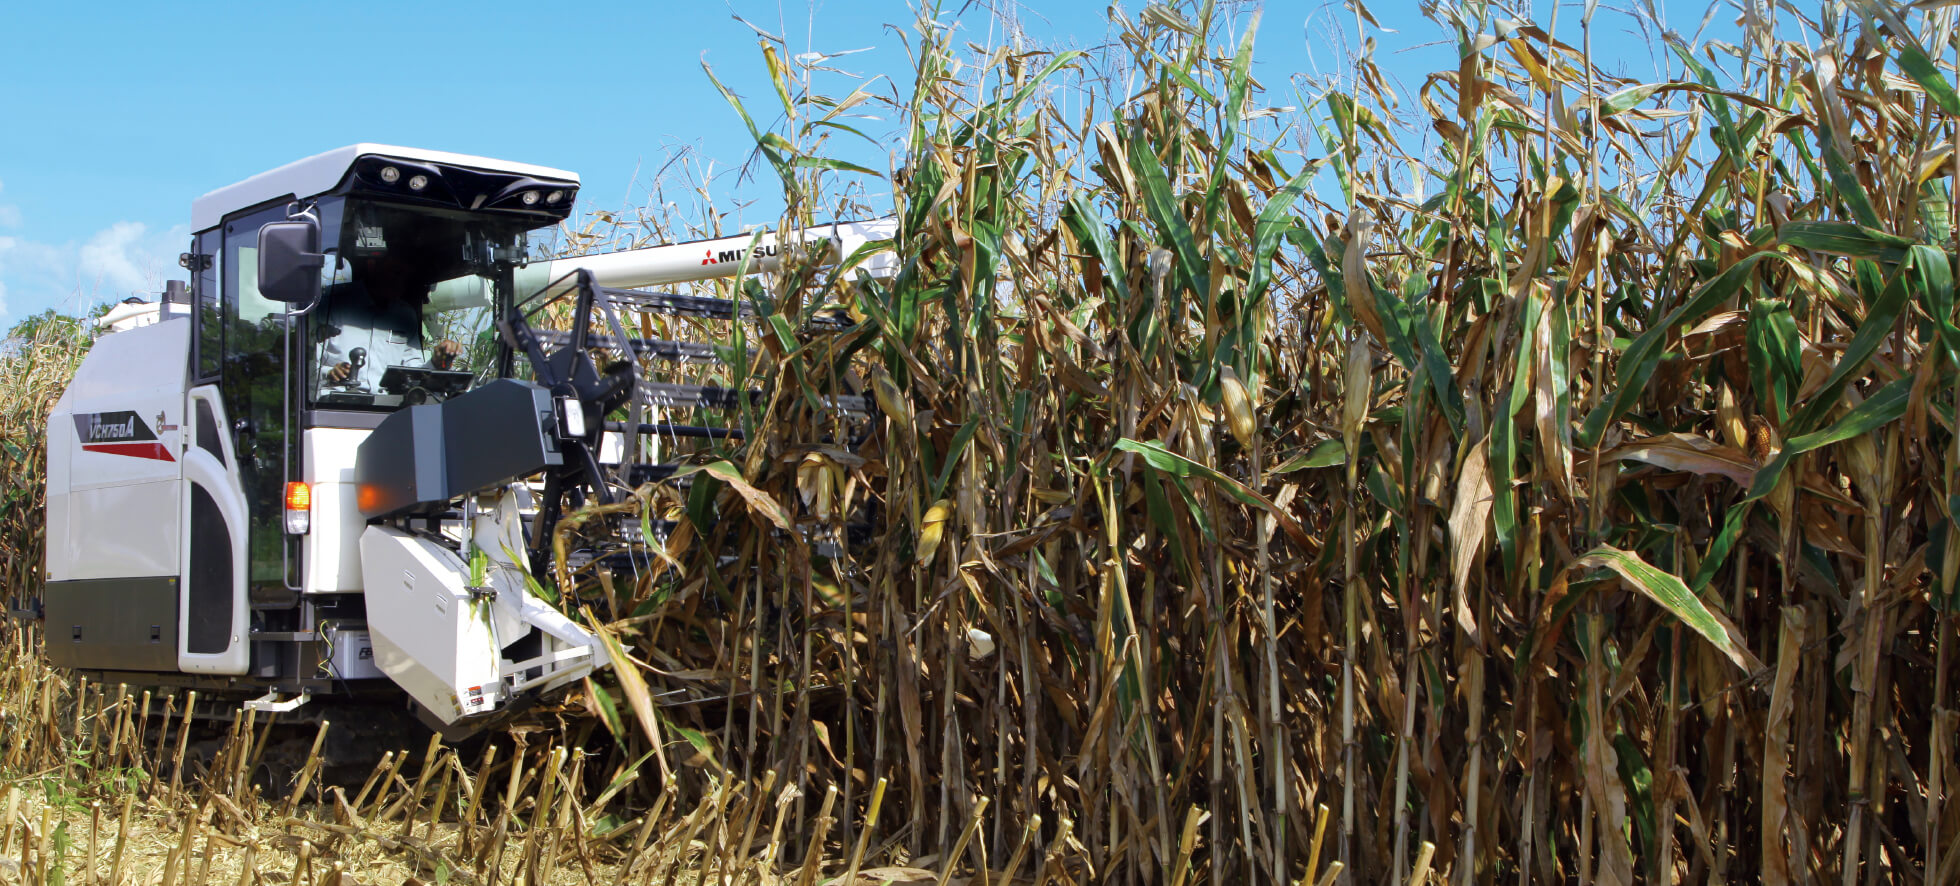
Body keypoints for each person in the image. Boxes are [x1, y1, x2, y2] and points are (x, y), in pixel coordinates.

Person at [316, 253, 462, 395]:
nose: (401, 282)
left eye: (405, 277)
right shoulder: (331, 304)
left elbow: (413, 373)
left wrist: (436, 363)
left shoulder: (405, 315)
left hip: (387, 409)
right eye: (396, 272)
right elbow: (302, 365)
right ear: (372, 266)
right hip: (332, 406)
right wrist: (329, 373)